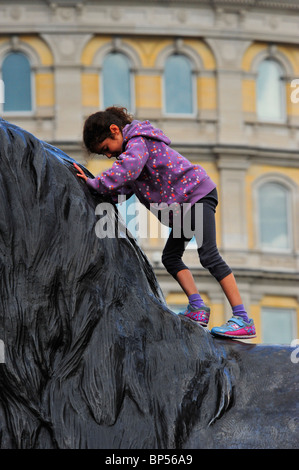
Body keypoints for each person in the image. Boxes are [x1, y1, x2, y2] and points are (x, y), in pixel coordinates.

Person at [74, 106, 256, 340]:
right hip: (184, 207)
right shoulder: (133, 156)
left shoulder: (138, 142)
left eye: (106, 149)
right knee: (170, 257)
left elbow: (127, 171)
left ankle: (242, 318)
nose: (108, 156)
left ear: (115, 131)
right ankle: (198, 308)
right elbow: (122, 191)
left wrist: (95, 183)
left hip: (197, 195)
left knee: (209, 255)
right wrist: (93, 192)